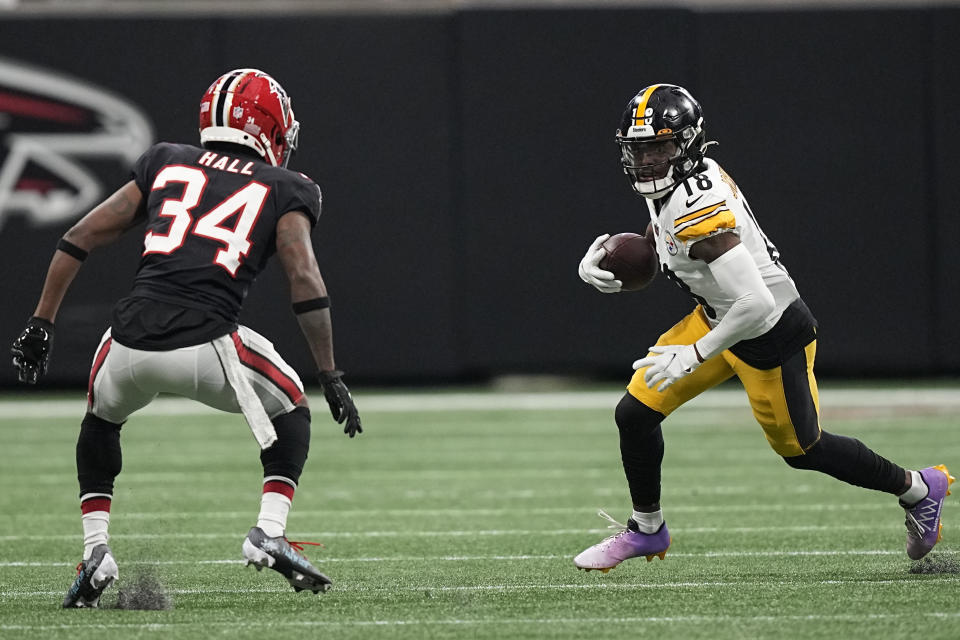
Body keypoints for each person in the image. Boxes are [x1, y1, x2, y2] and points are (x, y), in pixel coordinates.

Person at [10, 68, 363, 607]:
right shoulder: (287, 187)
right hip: (208, 344)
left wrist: (41, 323)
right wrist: (330, 372)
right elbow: (305, 280)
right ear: (269, 126)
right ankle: (268, 530)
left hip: (127, 345)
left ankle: (96, 550)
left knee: (100, 418)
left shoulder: (167, 160)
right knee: (292, 405)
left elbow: (78, 237)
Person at [574, 84, 953, 572]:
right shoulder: (676, 181)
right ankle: (647, 529)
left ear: (685, 144)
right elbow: (665, 239)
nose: (647, 161)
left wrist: (694, 354)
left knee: (804, 449)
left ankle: (920, 488)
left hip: (769, 331)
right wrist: (607, 260)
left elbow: (756, 303)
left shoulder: (698, 204)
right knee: (635, 412)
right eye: (639, 149)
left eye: (659, 147)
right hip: (717, 315)